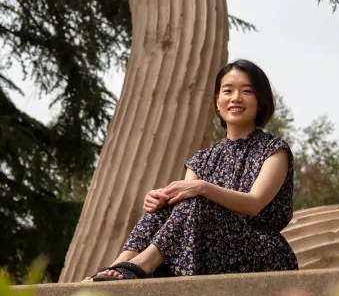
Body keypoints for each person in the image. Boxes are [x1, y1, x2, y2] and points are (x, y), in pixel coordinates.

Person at [86, 59, 298, 281]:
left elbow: (254, 204)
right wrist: (160, 199)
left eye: (247, 91)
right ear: (217, 101)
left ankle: (143, 263)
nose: (236, 98)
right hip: (206, 250)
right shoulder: (201, 159)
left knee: (196, 197)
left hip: (259, 252)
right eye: (228, 91)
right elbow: (182, 205)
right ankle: (120, 264)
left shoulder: (274, 150)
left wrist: (203, 187)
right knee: (171, 204)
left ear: (260, 101)